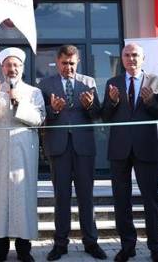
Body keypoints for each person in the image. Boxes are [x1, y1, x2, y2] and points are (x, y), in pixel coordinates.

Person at [37, 45, 106, 261]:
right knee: (61, 197)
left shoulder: (89, 83)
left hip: (83, 147)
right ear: (57, 62)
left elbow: (97, 114)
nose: (69, 67)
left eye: (72, 63)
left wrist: (90, 105)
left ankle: (91, 242)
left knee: (86, 196)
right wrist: (54, 109)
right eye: (65, 63)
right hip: (58, 147)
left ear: (78, 63)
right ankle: (60, 244)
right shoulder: (45, 84)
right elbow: (40, 115)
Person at [101, 43, 158, 262]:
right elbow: (105, 116)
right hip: (119, 149)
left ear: (143, 58)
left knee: (151, 199)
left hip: (146, 147)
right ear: (122, 59)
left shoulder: (156, 81)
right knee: (121, 200)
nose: (131, 59)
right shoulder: (113, 83)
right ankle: (127, 246)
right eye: (127, 55)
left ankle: (156, 247)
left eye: (135, 55)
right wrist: (112, 101)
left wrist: (150, 102)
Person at [0, 47, 45, 262]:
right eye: (8, 65)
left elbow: (39, 119)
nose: (12, 69)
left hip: (24, 153)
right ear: (2, 67)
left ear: (23, 68)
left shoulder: (33, 92)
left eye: (16, 65)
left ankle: (23, 250)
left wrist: (18, 102)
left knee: (23, 199)